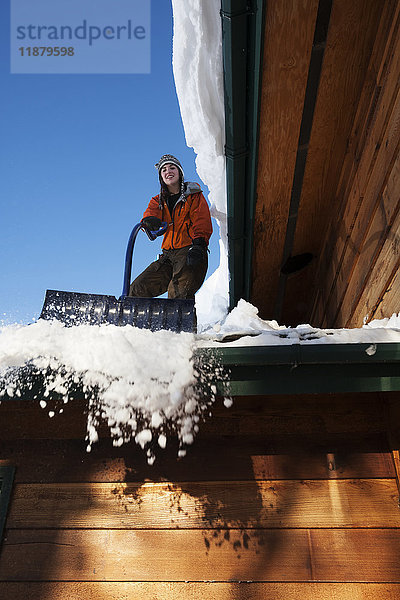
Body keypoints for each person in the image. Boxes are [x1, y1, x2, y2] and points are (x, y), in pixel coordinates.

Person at [129, 154, 212, 299]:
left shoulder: (193, 195)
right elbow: (150, 214)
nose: (168, 172)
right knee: (137, 289)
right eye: (164, 170)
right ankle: (130, 321)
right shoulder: (158, 200)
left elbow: (201, 220)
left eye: (172, 168)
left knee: (178, 293)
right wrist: (149, 221)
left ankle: (180, 322)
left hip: (190, 251)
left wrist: (199, 244)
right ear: (161, 176)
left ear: (179, 172)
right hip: (168, 255)